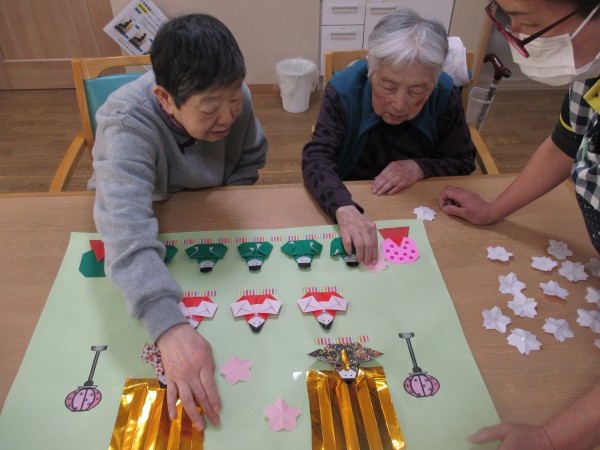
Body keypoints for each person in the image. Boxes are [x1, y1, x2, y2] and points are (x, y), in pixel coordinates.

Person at [88, 14, 267, 430]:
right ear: (165, 99)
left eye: (234, 98)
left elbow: (250, 159)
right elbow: (125, 230)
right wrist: (168, 327)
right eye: (210, 106)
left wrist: (222, 202)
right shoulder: (126, 121)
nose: (228, 115)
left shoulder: (235, 99)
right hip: (149, 216)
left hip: (205, 220)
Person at [438, 1, 600, 448]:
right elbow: (565, 144)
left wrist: (551, 437)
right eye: (506, 16)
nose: (516, 35)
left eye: (528, 22)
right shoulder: (593, 75)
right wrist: (494, 210)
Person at [302, 9, 476, 266]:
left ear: (433, 82)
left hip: (418, 203)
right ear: (371, 71)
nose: (399, 104)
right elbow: (316, 158)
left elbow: (463, 160)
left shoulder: (445, 93)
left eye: (417, 91)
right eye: (388, 87)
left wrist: (420, 167)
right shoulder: (343, 89)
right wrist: (342, 206)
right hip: (352, 196)